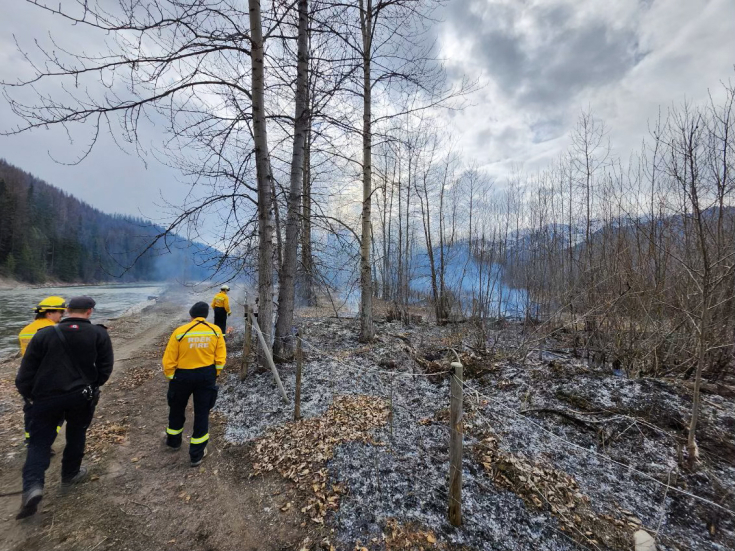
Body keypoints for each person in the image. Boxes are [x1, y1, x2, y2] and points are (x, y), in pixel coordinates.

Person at [15, 296, 114, 520]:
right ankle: (70, 473)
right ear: (90, 311)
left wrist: (29, 395)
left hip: (45, 397)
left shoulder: (44, 334)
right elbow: (106, 367)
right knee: (76, 433)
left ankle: (32, 486)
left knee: (39, 443)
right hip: (81, 396)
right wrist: (93, 385)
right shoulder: (99, 334)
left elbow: (26, 371)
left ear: (67, 310)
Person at [162, 301, 226, 467]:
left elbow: (169, 359)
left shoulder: (179, 332)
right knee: (202, 413)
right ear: (206, 316)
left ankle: (174, 442)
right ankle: (197, 454)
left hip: (182, 376)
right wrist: (214, 374)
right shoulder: (215, 331)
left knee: (176, 408)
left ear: (191, 315)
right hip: (206, 376)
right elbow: (220, 358)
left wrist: (171, 377)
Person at [18, 296, 67, 444]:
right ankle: (45, 441)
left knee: (30, 409)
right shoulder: (54, 330)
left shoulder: (25, 330)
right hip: (49, 377)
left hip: (28, 376)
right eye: (60, 312)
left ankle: (29, 438)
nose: (62, 316)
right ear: (49, 313)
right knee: (57, 411)